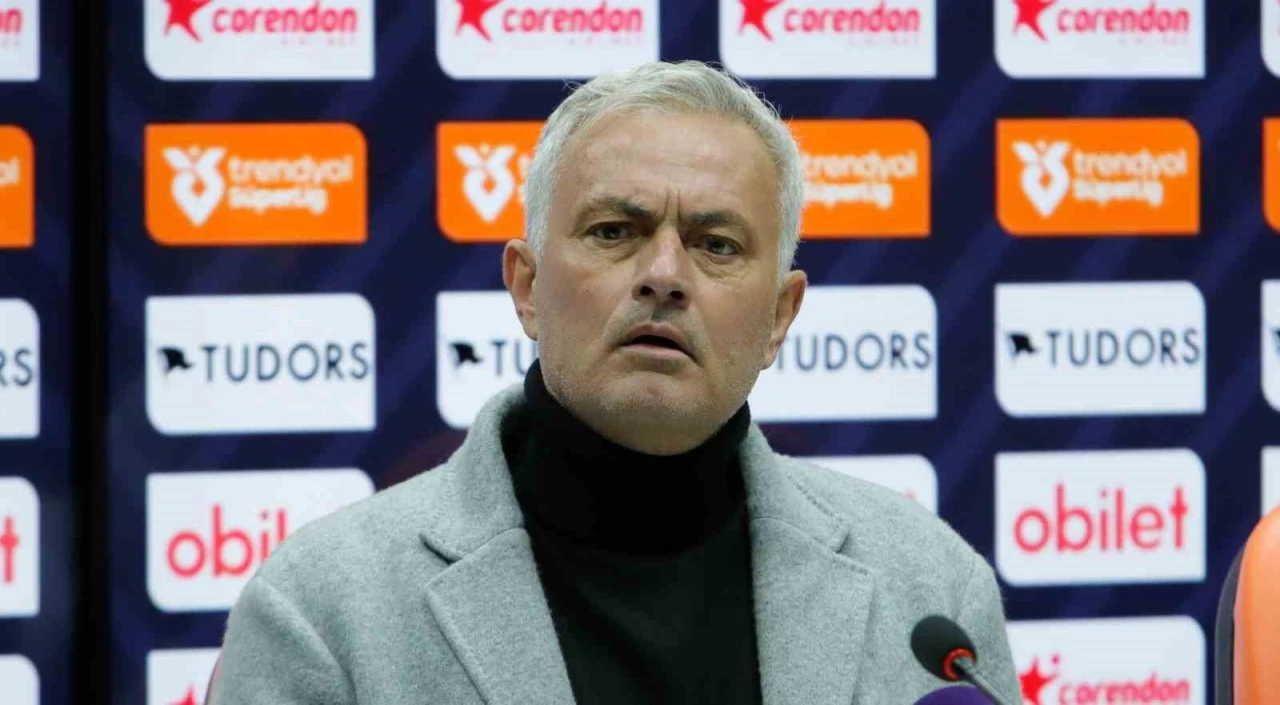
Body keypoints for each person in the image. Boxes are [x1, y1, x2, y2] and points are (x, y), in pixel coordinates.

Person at [209, 60, 1020, 705]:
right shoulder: (322, 610)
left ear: (780, 316)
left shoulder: (930, 589)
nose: (664, 274)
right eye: (614, 231)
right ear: (527, 286)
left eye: (717, 244)